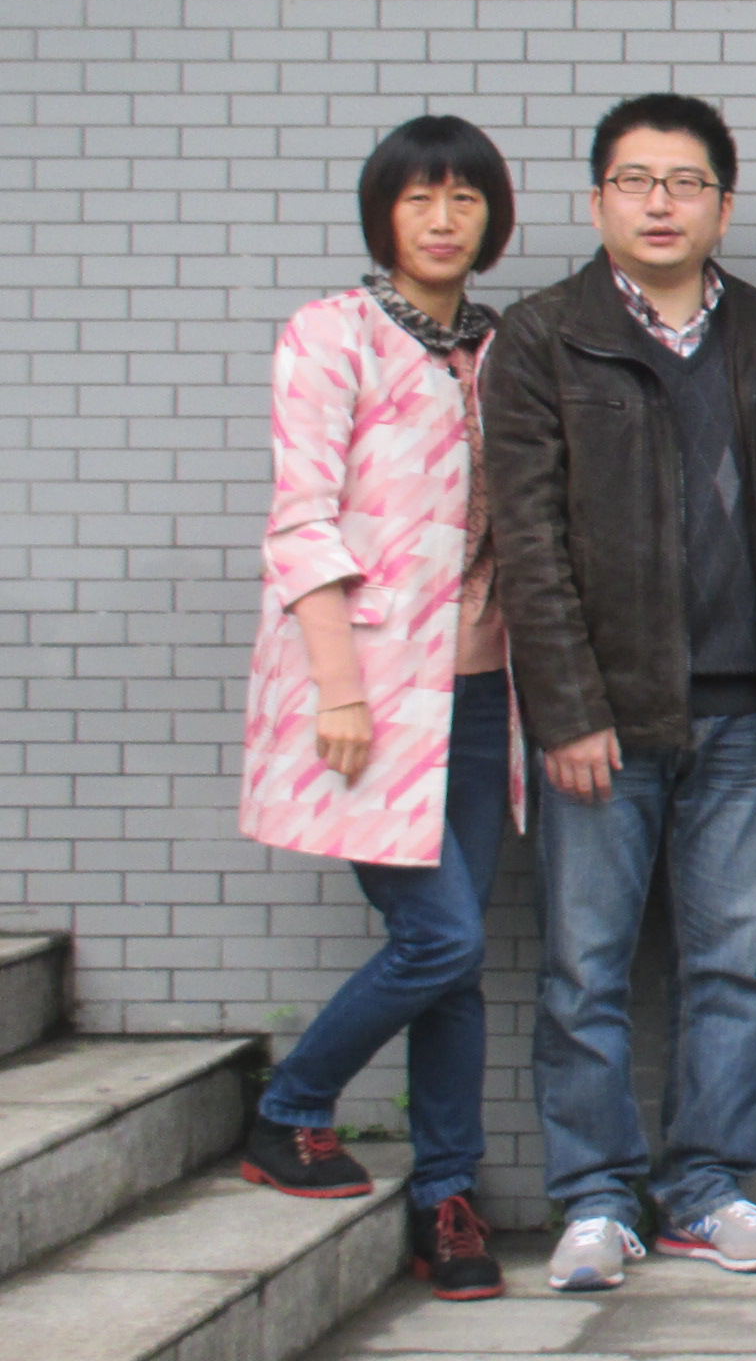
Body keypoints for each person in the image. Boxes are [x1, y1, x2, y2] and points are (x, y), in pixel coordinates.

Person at [485, 92, 756, 1292]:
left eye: (684, 183)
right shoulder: (544, 338)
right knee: (587, 967)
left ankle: (706, 1189)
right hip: (605, 722)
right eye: (635, 181)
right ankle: (595, 1197)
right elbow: (528, 540)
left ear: (724, 203)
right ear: (596, 201)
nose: (660, 203)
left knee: (731, 966)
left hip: (742, 715)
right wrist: (566, 706)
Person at [236, 115, 522, 1304]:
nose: (443, 219)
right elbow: (302, 520)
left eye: (464, 198)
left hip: (482, 692)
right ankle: (292, 1103)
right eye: (419, 198)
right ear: (384, 214)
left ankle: (443, 1197)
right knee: (440, 937)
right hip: (369, 693)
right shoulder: (332, 332)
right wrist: (339, 687)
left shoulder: (503, 347)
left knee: (455, 964)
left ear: (492, 216)